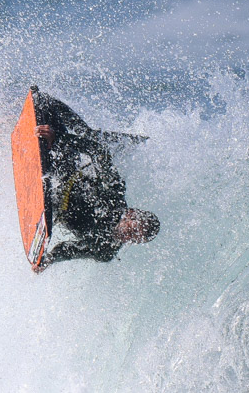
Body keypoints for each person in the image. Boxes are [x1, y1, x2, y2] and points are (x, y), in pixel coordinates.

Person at [31, 91, 160, 273]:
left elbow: (68, 250)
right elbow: (99, 152)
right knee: (46, 107)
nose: (127, 236)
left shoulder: (105, 250)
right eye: (131, 229)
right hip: (67, 175)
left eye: (133, 238)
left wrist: (47, 260)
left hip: (57, 209)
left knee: (54, 143)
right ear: (130, 213)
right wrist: (58, 140)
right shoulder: (114, 192)